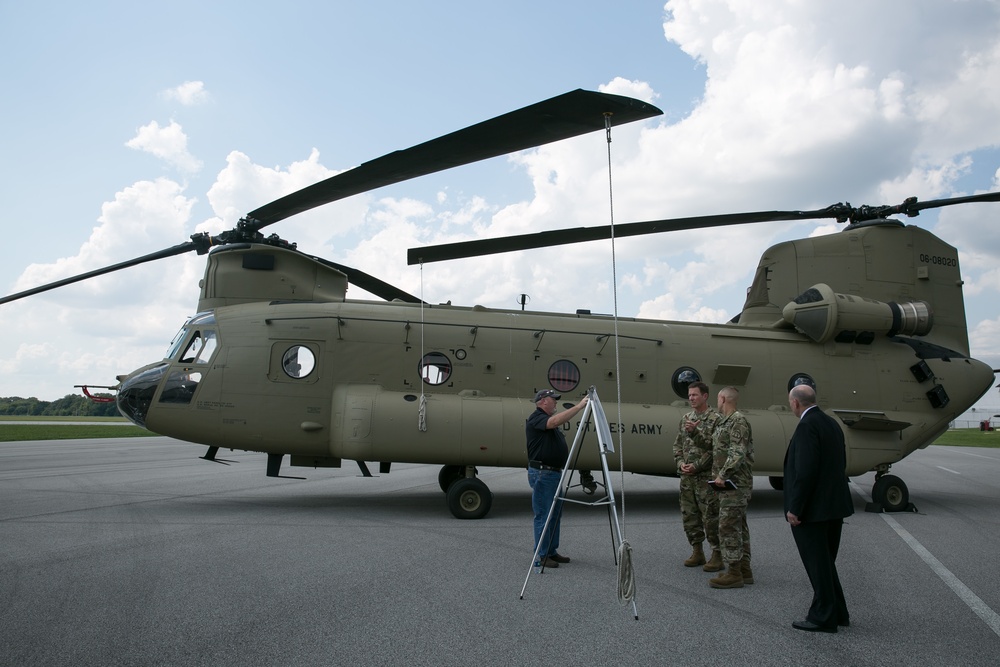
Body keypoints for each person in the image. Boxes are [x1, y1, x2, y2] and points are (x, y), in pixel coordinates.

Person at [784, 384, 854, 633]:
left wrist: (795, 507)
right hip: (833, 507)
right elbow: (840, 463)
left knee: (817, 564)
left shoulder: (806, 426)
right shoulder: (831, 423)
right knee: (825, 562)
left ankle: (823, 617)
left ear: (795, 403)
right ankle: (839, 612)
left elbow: (805, 471)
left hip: (813, 511)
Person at [525, 388, 589, 569]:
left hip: (552, 474)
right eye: (553, 399)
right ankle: (542, 554)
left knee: (554, 514)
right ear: (543, 401)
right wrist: (579, 407)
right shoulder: (537, 418)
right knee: (544, 514)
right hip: (543, 474)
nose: (556, 402)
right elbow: (553, 422)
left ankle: (551, 551)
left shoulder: (544, 419)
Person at [672, 381, 723, 571]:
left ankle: (717, 553)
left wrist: (697, 466)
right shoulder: (686, 418)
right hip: (687, 479)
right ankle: (697, 551)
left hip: (705, 478)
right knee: (689, 515)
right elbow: (677, 445)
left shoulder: (715, 419)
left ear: (705, 396)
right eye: (690, 395)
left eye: (695, 395)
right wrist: (680, 463)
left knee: (710, 516)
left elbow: (715, 449)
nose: (691, 398)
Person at [708, 386, 754, 589]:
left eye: (718, 398)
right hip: (727, 484)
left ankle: (734, 573)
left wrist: (722, 475)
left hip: (734, 484)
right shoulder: (723, 421)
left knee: (728, 526)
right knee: (738, 525)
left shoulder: (737, 421)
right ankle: (744, 570)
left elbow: (737, 452)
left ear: (723, 398)